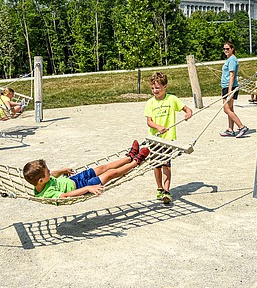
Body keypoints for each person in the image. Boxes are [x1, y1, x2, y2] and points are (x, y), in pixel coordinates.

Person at [23, 141, 150, 199]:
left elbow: (53, 175)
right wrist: (88, 189)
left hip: (75, 178)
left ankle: (128, 158)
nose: (50, 172)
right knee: (110, 174)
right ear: (40, 180)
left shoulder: (43, 180)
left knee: (102, 167)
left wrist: (62, 170)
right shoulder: (46, 194)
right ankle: (136, 162)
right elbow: (65, 195)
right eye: (47, 172)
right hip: (82, 187)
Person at [144, 72, 193, 203]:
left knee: (166, 165)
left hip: (168, 139)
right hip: (154, 138)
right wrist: (158, 127)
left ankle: (166, 191)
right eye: (153, 88)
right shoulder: (150, 103)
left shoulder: (172, 99)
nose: (155, 91)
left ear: (165, 86)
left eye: (158, 88)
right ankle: (159, 188)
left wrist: (188, 113)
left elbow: (187, 109)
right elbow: (149, 122)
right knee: (156, 165)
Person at [220, 41, 249, 138]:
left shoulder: (232, 59)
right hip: (226, 86)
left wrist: (229, 91)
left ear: (232, 49)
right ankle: (230, 129)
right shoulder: (230, 59)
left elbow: (232, 75)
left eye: (227, 49)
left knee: (226, 109)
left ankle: (241, 127)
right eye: (224, 49)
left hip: (230, 87)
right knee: (230, 109)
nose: (225, 51)